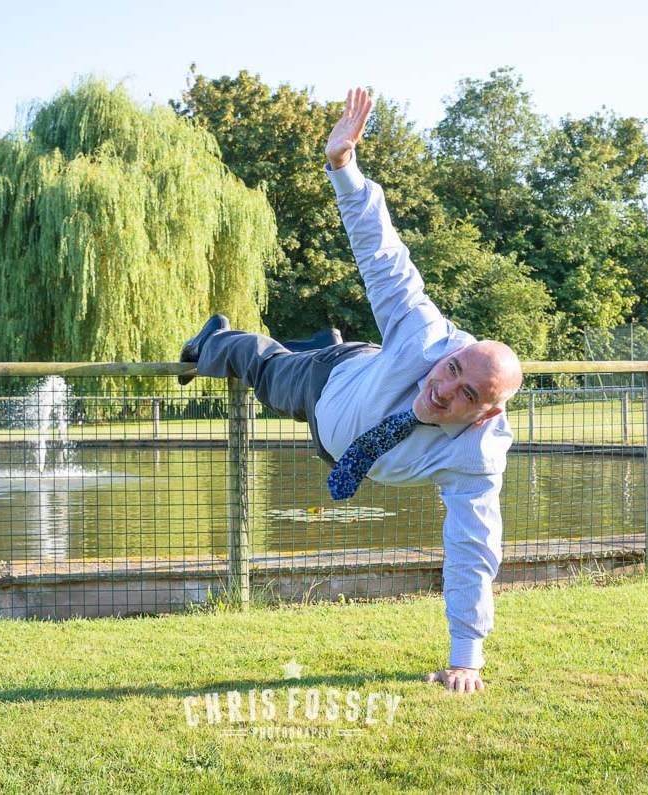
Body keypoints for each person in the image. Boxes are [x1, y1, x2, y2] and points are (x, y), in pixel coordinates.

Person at [179, 87, 523, 694]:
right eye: (451, 370)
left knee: (306, 362)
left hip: (350, 410)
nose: (444, 390)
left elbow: (473, 548)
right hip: (328, 384)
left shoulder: (477, 457)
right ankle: (213, 341)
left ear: (486, 414)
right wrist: (344, 166)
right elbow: (383, 255)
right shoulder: (425, 338)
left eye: (467, 394)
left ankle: (320, 338)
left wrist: (466, 655)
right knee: (261, 365)